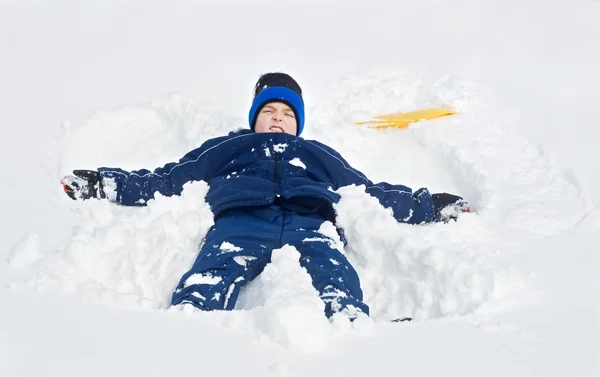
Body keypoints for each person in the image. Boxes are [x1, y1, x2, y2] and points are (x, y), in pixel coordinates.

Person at [61, 72, 470, 320]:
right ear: (255, 118)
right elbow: (170, 180)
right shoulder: (227, 149)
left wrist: (426, 205)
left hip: (311, 223)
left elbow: (366, 192)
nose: (279, 119)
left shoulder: (317, 154)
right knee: (210, 274)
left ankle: (349, 327)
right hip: (240, 223)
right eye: (270, 111)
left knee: (334, 273)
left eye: (288, 114)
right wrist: (106, 183)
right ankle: (187, 330)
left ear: (299, 124)